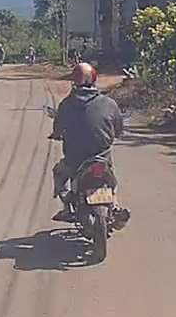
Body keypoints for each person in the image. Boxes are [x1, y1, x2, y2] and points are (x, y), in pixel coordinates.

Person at [50, 62, 129, 226]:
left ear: (74, 81)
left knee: (59, 172)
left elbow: (57, 129)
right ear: (94, 79)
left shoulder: (66, 104)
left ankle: (67, 207)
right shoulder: (109, 103)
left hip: (75, 160)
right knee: (110, 180)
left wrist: (56, 135)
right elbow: (119, 128)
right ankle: (115, 207)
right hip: (102, 158)